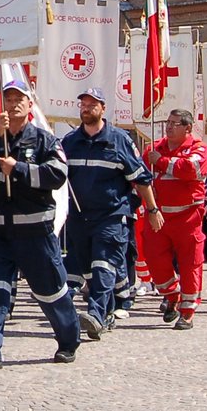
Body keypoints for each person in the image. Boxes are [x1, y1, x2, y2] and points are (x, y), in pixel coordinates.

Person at [0, 76, 81, 369]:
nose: (13, 104)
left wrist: (20, 169)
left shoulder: (44, 139)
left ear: (30, 105)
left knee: (50, 290)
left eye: (19, 99)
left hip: (34, 230)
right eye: (9, 99)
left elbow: (57, 175)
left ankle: (69, 338)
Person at [62, 87, 156, 337]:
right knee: (88, 270)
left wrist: (153, 209)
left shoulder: (119, 140)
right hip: (79, 218)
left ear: (103, 108)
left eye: (92, 104)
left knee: (103, 264)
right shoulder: (69, 142)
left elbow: (141, 178)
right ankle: (106, 312)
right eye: (83, 104)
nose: (86, 108)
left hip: (111, 215)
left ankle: (94, 313)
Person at [139, 108, 207, 329]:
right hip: (158, 216)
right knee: (153, 259)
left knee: (191, 264)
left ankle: (188, 310)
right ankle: (171, 295)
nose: (169, 127)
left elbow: (190, 168)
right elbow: (141, 177)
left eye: (175, 123)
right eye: (168, 122)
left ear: (188, 128)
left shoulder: (199, 149)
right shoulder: (153, 148)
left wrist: (162, 161)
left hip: (188, 217)